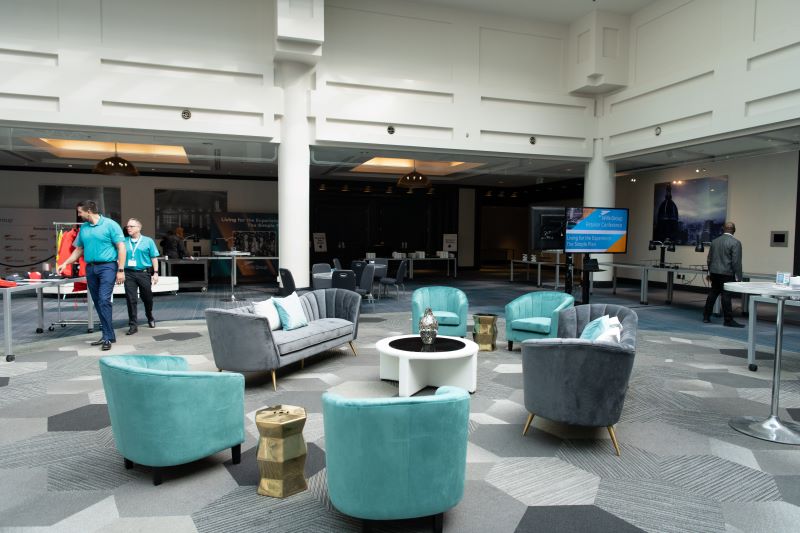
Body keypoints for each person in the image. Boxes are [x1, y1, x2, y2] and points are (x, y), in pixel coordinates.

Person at [56, 200, 126, 350]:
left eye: (80, 212)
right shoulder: (84, 228)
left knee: (104, 300)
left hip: (108, 267)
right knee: (98, 301)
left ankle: (106, 337)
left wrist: (121, 270)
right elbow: (79, 249)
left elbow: (121, 247)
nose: (79, 214)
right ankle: (109, 334)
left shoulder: (110, 225)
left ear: (89, 211)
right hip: (91, 268)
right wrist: (65, 263)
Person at [702, 221, 744, 327]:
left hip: (714, 272)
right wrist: (739, 277)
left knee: (712, 294)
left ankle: (706, 316)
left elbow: (709, 259)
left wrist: (709, 272)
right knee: (726, 296)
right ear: (734, 230)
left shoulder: (714, 241)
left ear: (723, 229)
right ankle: (728, 320)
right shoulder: (736, 243)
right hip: (727, 274)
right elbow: (736, 262)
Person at [122, 218, 160, 335]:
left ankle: (149, 315)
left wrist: (156, 273)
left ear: (139, 228)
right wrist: (120, 271)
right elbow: (119, 257)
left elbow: (154, 257)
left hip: (143, 273)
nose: (128, 228)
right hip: (128, 273)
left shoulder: (148, 241)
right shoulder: (123, 241)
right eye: (127, 226)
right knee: (131, 299)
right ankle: (133, 325)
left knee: (147, 298)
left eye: (131, 226)